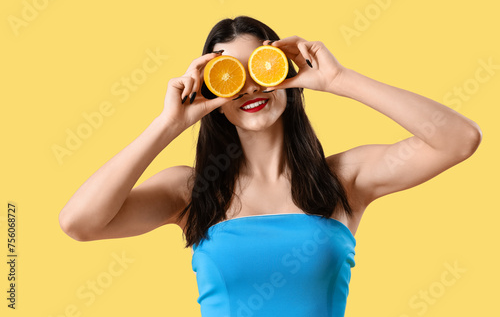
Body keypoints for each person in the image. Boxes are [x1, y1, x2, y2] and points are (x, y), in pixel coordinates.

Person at [58, 16, 482, 317]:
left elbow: (459, 139)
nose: (249, 87)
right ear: (212, 96)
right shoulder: (191, 192)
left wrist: (338, 80)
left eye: (261, 68)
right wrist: (167, 124)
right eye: (229, 75)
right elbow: (79, 222)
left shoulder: (344, 180)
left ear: (286, 75)